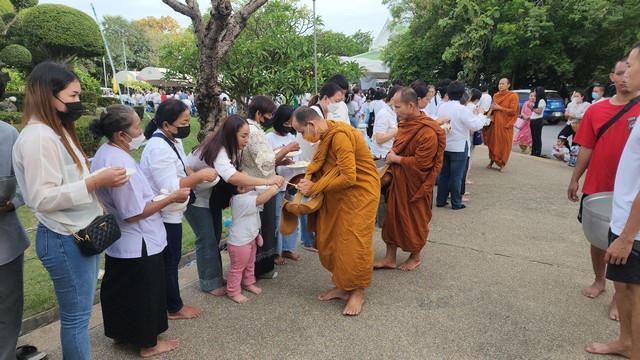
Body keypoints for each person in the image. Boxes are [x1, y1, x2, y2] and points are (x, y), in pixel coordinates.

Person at [12, 62, 130, 358]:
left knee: (80, 315)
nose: (78, 102)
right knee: (77, 318)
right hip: (63, 238)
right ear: (48, 95)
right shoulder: (39, 137)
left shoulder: (56, 132)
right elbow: (42, 198)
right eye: (73, 96)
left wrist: (93, 180)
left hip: (77, 234)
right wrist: (94, 181)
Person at [89, 105, 187, 357]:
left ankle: (121, 334)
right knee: (144, 292)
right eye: (136, 127)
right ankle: (147, 343)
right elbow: (133, 213)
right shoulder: (120, 163)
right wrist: (171, 197)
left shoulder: (105, 152)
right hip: (138, 239)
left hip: (122, 241)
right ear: (121, 134)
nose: (141, 130)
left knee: (121, 289)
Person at [287, 106, 380, 316]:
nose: (302, 136)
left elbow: (349, 177)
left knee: (354, 242)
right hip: (339, 195)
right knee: (335, 240)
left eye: (301, 131)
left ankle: (357, 291)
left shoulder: (339, 136)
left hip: (360, 194)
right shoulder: (328, 133)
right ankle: (342, 285)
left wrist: (315, 187)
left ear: (311, 124)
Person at [568, 57, 640, 322]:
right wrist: (576, 178)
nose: (624, 77)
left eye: (629, 71)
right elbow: (586, 147)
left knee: (625, 246)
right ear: (612, 76)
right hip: (598, 185)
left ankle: (618, 298)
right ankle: (600, 280)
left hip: (631, 193)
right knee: (598, 239)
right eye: (620, 73)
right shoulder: (595, 111)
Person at [586, 43, 640, 358]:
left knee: (633, 293)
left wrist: (627, 236)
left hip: (632, 230)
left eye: (631, 66)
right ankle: (626, 342)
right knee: (624, 287)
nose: (624, 73)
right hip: (623, 220)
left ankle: (634, 349)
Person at [141, 98, 218, 320]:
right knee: (170, 260)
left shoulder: (172, 140)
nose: (187, 126)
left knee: (170, 258)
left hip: (173, 210)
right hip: (164, 213)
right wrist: (199, 176)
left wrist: (191, 171)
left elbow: (181, 167)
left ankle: (170, 303)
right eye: (184, 122)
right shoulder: (157, 147)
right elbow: (170, 186)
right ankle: (174, 307)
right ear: (166, 124)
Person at [373, 87, 445, 271]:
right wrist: (394, 152)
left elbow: (423, 163)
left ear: (411, 105)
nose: (395, 111)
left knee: (415, 220)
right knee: (391, 219)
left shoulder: (428, 131)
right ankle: (390, 258)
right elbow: (399, 144)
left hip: (416, 185)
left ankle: (415, 256)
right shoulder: (405, 124)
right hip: (399, 181)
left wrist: (396, 159)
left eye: (397, 107)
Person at [0, 120, 34, 360]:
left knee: (7, 308)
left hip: (5, 243)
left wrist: (14, 201)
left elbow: (26, 178)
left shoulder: (7, 134)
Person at [243, 95, 280, 277]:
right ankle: (260, 268)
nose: (271, 118)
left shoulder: (253, 129)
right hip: (261, 183)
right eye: (269, 114)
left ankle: (258, 267)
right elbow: (264, 161)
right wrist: (284, 151)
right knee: (263, 227)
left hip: (260, 182)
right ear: (259, 114)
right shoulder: (254, 131)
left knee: (263, 226)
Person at [435, 81, 486, 210]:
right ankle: (456, 203)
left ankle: (440, 200)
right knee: (457, 176)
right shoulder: (461, 109)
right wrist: (481, 114)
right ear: (462, 94)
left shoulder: (442, 107)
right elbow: (475, 125)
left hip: (445, 144)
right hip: (458, 146)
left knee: (444, 174)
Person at [227, 184, 280, 304]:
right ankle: (233, 291)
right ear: (241, 187)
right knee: (237, 268)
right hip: (239, 243)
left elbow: (262, 196)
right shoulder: (240, 200)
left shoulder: (248, 194)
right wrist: (274, 187)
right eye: (248, 180)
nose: (253, 182)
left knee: (250, 264)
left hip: (250, 238)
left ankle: (248, 283)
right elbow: (261, 199)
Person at [265, 105, 302, 264]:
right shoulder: (269, 138)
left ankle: (288, 248)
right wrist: (283, 154)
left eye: (290, 123)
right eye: (285, 123)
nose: (288, 126)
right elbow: (267, 163)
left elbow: (297, 158)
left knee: (292, 215)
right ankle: (276, 251)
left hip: (291, 182)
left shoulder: (292, 138)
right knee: (278, 218)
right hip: (277, 184)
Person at [482, 78, 520, 172]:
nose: (500, 85)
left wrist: (500, 108)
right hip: (495, 124)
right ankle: (491, 161)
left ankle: (502, 164)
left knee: (504, 144)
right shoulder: (496, 95)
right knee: (493, 142)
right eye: (499, 83)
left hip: (506, 125)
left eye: (503, 84)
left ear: (508, 85)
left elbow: (513, 111)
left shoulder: (513, 96)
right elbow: (493, 109)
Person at [370, 85, 400, 159]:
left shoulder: (392, 112)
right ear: (393, 99)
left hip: (389, 152)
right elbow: (379, 139)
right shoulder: (384, 113)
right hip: (382, 155)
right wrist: (397, 130)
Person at [529, 86, 547, 157]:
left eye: (535, 91)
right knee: (533, 137)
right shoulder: (537, 100)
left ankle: (538, 152)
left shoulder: (541, 101)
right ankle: (533, 152)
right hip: (533, 120)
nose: (534, 93)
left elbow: (539, 112)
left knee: (537, 137)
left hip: (538, 120)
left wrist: (532, 108)